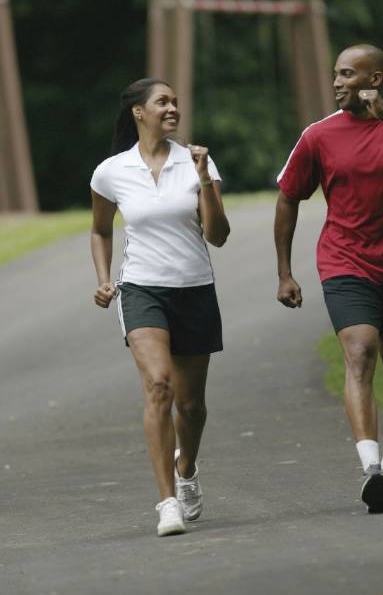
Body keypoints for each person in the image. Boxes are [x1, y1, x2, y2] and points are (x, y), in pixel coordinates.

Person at [273, 44, 383, 514]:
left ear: (377, 78)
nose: (337, 83)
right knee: (360, 350)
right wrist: (285, 271)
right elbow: (289, 196)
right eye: (335, 74)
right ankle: (370, 467)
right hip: (345, 260)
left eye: (348, 74)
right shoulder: (318, 136)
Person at [90, 78, 230, 536]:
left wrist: (205, 175)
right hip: (142, 290)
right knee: (158, 386)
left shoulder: (195, 165)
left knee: (191, 408)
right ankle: (167, 501)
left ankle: (186, 468)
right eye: (162, 102)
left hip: (194, 289)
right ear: (138, 112)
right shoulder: (111, 171)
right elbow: (100, 229)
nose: (173, 108)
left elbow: (218, 235)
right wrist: (104, 278)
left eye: (175, 102)